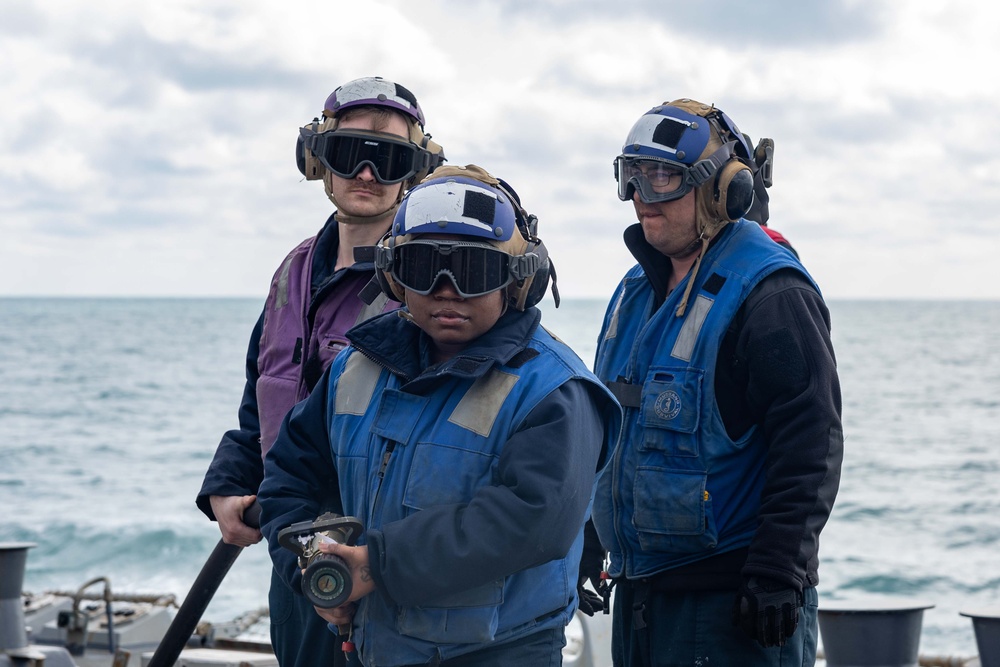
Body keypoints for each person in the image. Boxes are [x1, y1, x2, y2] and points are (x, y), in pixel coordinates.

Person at [257, 165, 623, 667]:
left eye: (473, 271)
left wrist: (375, 566)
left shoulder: (556, 390)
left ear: (518, 280)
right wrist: (315, 562)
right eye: (423, 268)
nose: (447, 290)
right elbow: (288, 476)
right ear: (392, 276)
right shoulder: (353, 369)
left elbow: (535, 519)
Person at [196, 76, 445, 667]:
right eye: (348, 152)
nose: (365, 172)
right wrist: (231, 479)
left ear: (415, 172)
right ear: (317, 159)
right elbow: (264, 394)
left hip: (373, 565)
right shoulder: (294, 270)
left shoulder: (430, 280)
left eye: (388, 159)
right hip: (293, 552)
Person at [590, 98, 843, 666]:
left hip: (734, 606)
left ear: (725, 190)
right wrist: (588, 533)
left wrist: (780, 566)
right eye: (632, 177)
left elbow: (810, 440)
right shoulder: (634, 292)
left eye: (662, 179)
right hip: (642, 595)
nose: (640, 197)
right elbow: (611, 431)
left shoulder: (773, 295)